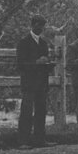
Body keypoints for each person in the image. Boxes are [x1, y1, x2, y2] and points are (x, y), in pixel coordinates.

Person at [16, 15, 54, 147]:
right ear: (33, 25)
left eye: (43, 26)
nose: (41, 28)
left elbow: (45, 63)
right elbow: (20, 64)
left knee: (41, 111)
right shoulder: (24, 42)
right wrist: (36, 63)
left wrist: (48, 64)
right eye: (39, 25)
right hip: (29, 83)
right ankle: (23, 141)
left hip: (42, 83)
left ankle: (40, 139)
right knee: (26, 112)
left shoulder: (43, 43)